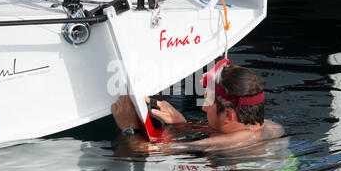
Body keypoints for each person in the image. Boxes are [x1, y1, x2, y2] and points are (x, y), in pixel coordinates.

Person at [111, 59, 284, 149]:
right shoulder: (268, 127)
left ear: (229, 115)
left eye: (208, 101)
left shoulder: (231, 142)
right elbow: (221, 128)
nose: (203, 107)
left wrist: (129, 126)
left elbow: (151, 152)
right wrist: (182, 124)